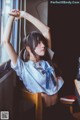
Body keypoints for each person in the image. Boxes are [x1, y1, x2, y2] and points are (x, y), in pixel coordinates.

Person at [3, 9, 76, 120]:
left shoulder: (47, 59)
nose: (43, 46)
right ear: (28, 48)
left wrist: (23, 14)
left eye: (43, 42)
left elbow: (46, 30)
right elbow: (6, 41)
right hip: (43, 114)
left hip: (59, 109)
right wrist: (12, 17)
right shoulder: (23, 67)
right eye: (38, 43)